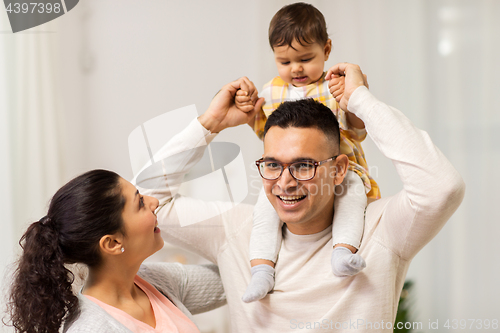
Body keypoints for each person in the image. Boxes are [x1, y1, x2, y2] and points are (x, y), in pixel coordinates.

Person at [135, 64, 465, 331]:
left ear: (339, 170)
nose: (285, 182)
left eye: (304, 165)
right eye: (272, 165)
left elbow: (442, 187)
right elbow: (145, 200)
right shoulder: (236, 232)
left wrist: (360, 99)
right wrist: (211, 123)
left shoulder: (382, 230)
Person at [234, 2, 380, 302]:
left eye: (306, 58)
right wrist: (249, 110)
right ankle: (262, 269)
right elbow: (267, 133)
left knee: (351, 199)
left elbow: (357, 130)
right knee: (264, 209)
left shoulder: (334, 85)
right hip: (292, 171)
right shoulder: (273, 90)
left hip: (342, 166)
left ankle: (343, 251)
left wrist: (356, 96)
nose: (296, 69)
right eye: (284, 62)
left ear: (326, 51)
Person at [5, 171, 226, 332]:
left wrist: (208, 124)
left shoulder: (156, 281)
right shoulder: (92, 329)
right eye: (140, 202)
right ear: (112, 243)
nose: (155, 201)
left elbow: (236, 276)